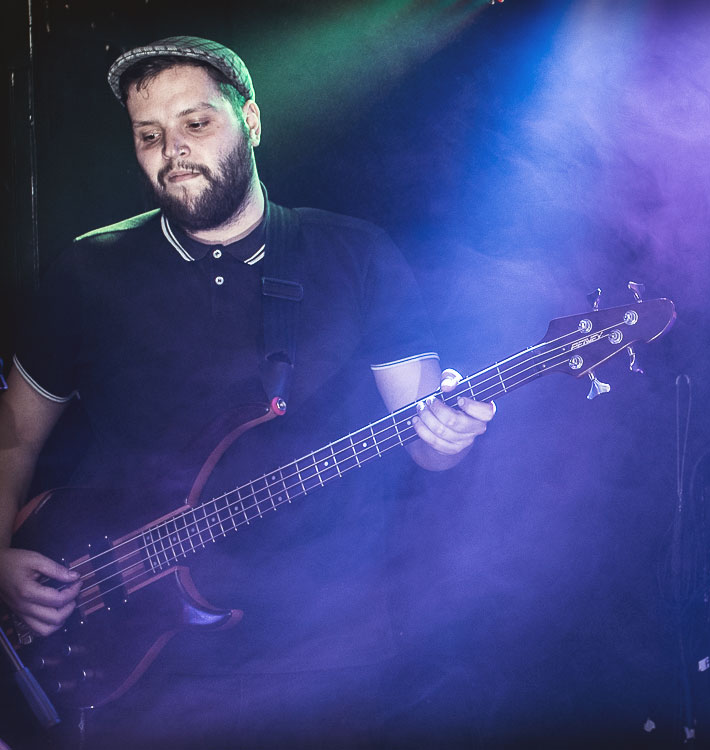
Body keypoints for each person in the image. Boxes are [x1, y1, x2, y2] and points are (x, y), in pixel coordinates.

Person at [0, 37, 494, 746]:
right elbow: (12, 432)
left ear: (251, 121)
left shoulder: (352, 255)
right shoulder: (90, 269)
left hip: (322, 645)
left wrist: (451, 433)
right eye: (149, 135)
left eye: (195, 123)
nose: (173, 149)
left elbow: (425, 443)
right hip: (130, 647)